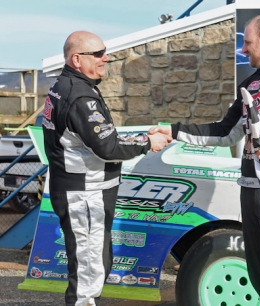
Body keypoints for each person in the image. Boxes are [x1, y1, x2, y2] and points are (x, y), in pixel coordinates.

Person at [150, 14, 260, 306]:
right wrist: (173, 131)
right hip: (250, 189)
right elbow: (224, 132)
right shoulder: (251, 84)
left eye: (247, 43)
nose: (243, 50)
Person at [42, 30, 171, 306]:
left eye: (105, 52)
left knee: (94, 263)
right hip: (85, 196)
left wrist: (140, 139)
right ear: (77, 59)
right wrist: (148, 143)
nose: (106, 58)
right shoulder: (79, 96)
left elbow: (99, 138)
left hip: (82, 192)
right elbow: (108, 148)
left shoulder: (66, 85)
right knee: (89, 275)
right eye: (98, 54)